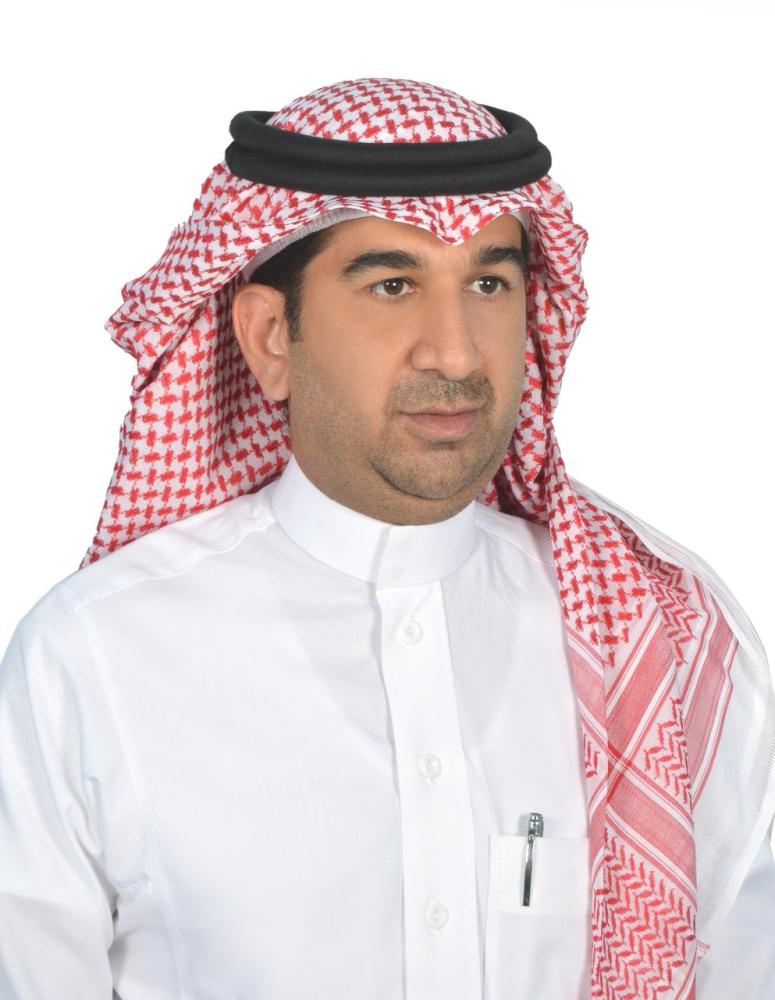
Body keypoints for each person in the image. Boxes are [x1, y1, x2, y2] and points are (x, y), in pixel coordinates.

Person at [1, 77, 773, 1000]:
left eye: (488, 282)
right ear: (269, 337)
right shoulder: (92, 658)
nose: (454, 352)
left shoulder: (658, 638)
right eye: (392, 285)